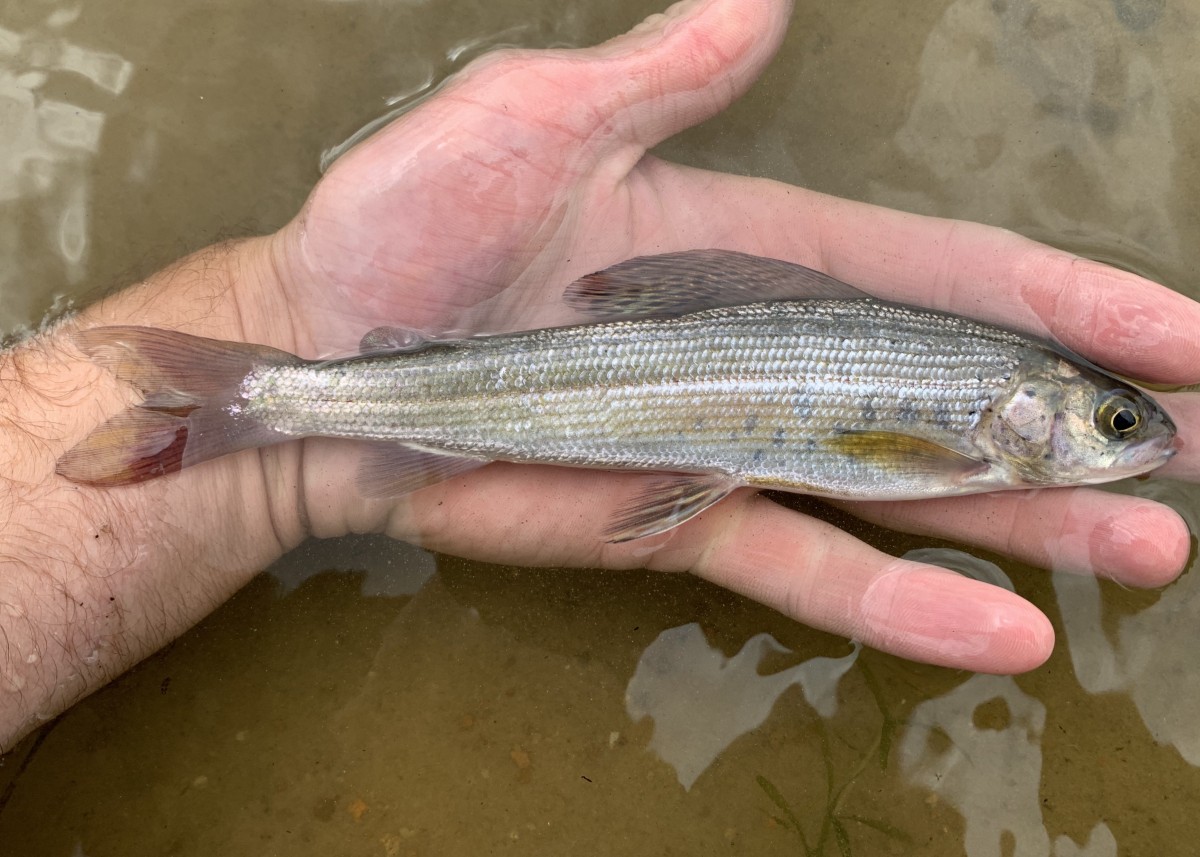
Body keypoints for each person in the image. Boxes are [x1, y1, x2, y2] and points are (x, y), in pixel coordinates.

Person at [1, 0, 1197, 751]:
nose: (1123, 435)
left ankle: (254, 395)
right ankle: (254, 397)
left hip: (634, 401)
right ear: (1034, 411)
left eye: (1114, 420)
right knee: (277, 389)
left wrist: (279, 317)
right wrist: (280, 331)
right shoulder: (975, 435)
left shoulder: (981, 419)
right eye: (1108, 418)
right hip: (545, 385)